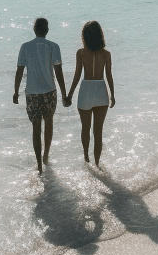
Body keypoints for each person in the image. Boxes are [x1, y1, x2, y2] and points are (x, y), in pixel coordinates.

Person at [13, 17, 68, 174]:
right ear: (47, 30)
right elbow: (58, 72)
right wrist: (64, 94)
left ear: (34, 30)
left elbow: (19, 70)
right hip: (49, 92)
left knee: (36, 127)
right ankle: (46, 156)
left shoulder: (25, 47)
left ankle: (38, 164)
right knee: (48, 122)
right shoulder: (53, 46)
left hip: (32, 93)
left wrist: (15, 92)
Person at [65, 20, 115, 166]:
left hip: (86, 90)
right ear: (100, 35)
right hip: (101, 91)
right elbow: (109, 76)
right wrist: (112, 95)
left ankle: (86, 158)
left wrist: (70, 94)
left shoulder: (81, 53)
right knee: (98, 132)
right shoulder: (106, 54)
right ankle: (98, 163)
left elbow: (77, 75)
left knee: (85, 129)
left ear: (84, 36)